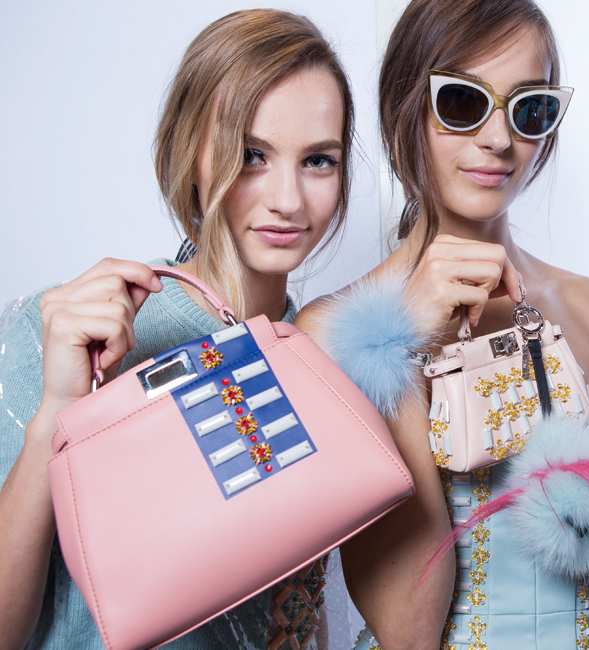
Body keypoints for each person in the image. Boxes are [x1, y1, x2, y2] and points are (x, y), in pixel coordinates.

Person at [0, 9, 354, 649]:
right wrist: (57, 412)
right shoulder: (69, 332)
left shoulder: (324, 354)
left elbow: (295, 612)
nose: (288, 200)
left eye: (319, 160)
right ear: (189, 151)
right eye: (251, 155)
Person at [295, 1, 589, 648]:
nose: (499, 139)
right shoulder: (330, 331)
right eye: (461, 102)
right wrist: (398, 338)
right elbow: (405, 629)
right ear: (405, 108)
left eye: (530, 108)